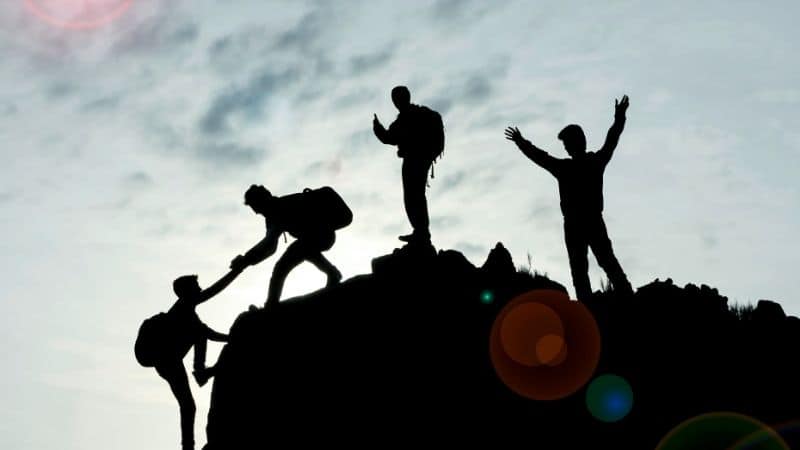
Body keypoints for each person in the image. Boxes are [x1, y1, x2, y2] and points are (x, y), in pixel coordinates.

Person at [505, 95, 634, 300]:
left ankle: (619, 299)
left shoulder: (574, 166)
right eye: (565, 144)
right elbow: (612, 139)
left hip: (585, 222)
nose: (565, 147)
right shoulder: (590, 163)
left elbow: (541, 157)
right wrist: (619, 118)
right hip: (582, 223)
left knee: (594, 265)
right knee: (592, 266)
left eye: (567, 143)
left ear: (577, 142)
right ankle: (617, 299)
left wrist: (521, 142)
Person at [155, 269, 242, 450]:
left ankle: (200, 372)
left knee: (188, 406)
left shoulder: (188, 313)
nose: (200, 289)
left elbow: (207, 332)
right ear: (186, 292)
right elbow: (214, 290)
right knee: (188, 406)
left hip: (169, 361)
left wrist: (231, 337)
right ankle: (200, 372)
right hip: (168, 361)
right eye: (196, 287)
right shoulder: (183, 307)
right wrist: (239, 269)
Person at [231, 185, 344, 309]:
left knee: (284, 265)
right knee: (297, 254)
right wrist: (247, 260)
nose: (257, 212)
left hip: (323, 235)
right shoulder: (274, 214)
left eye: (256, 207)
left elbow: (269, 243)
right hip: (312, 239)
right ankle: (332, 273)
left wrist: (246, 260)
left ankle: (271, 306)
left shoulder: (281, 207)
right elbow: (270, 246)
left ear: (264, 199)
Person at [373, 85, 445, 245]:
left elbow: (389, 138)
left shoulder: (407, 118)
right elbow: (390, 137)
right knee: (415, 196)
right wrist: (379, 129)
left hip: (414, 159)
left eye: (396, 98)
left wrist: (377, 129)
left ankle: (421, 232)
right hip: (421, 159)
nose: (395, 102)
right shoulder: (418, 114)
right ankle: (420, 231)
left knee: (413, 196)